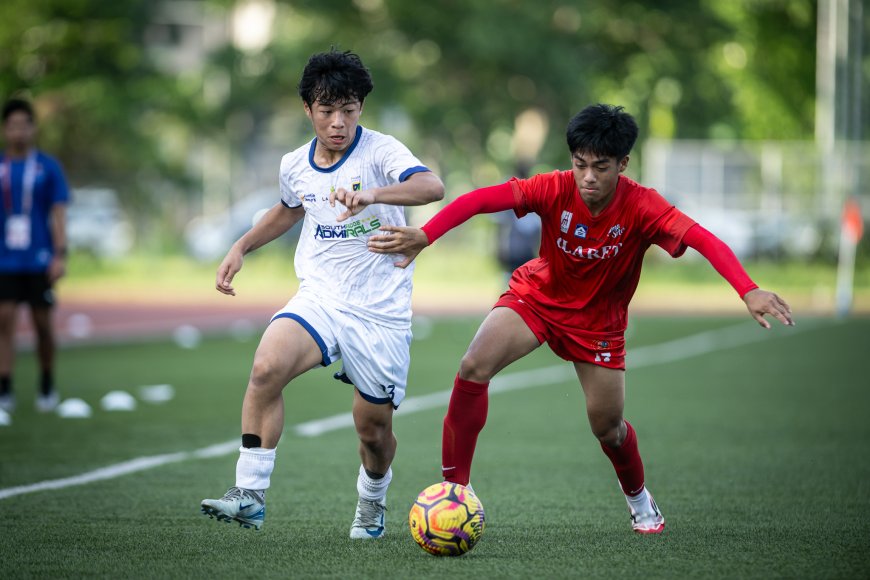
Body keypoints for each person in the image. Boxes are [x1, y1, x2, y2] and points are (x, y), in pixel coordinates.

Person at [367, 104, 794, 534]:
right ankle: (455, 489)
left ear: (623, 164)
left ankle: (638, 498)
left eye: (600, 167)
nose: (588, 176)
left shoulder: (643, 205)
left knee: (608, 429)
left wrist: (747, 289)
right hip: (538, 298)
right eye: (580, 164)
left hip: (598, 326)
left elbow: (702, 238)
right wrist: (427, 234)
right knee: (473, 366)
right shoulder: (553, 186)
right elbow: (479, 199)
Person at [200, 49, 444, 537]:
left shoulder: (381, 152)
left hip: (380, 312)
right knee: (266, 367)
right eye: (327, 110)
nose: (338, 123)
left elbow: (431, 187)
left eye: (348, 110)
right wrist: (241, 246)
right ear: (308, 109)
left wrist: (371, 194)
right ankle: (249, 493)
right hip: (321, 297)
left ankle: (372, 500)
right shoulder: (295, 163)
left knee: (373, 432)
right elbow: (290, 208)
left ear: (361, 108)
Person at [0, 98, 70, 414]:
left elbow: (58, 212)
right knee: (4, 321)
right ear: (5, 129)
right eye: (12, 125)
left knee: (42, 324)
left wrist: (60, 254)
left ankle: (46, 383)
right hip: (5, 260)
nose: (18, 131)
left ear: (33, 128)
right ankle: (5, 388)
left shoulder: (47, 166)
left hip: (39, 258)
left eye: (23, 125)